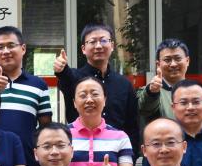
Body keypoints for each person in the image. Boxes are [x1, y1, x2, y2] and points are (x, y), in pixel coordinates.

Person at [54, 22, 141, 151]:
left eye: (104, 40)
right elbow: (65, 79)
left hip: (116, 152)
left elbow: (132, 125)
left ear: (112, 46)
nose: (99, 46)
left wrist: (130, 155)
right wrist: (61, 70)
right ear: (83, 49)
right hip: (79, 151)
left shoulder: (124, 83)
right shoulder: (74, 77)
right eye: (93, 41)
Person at [0, 25, 52, 166]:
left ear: (23, 48)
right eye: (0, 47)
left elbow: (45, 127)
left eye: (11, 45)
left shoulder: (38, 85)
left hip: (29, 163)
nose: (6, 51)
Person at [137, 39, 202, 130]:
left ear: (187, 61)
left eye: (178, 58)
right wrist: (152, 92)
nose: (173, 64)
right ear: (158, 64)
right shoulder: (149, 93)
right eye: (167, 60)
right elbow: (145, 108)